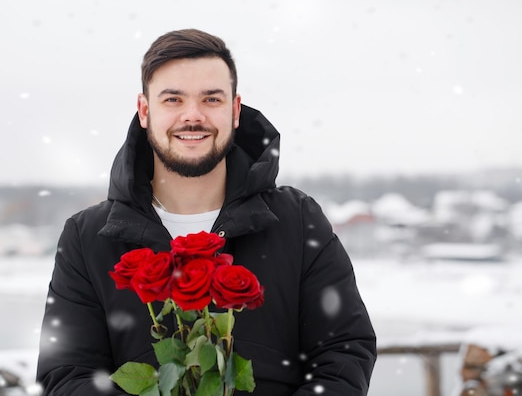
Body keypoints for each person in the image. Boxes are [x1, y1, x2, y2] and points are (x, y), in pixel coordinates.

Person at [36, 29, 376, 395]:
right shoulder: (87, 237)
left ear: (234, 110)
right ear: (145, 110)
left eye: (211, 99)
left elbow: (344, 353)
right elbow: (66, 376)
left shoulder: (297, 220)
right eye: (173, 100)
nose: (193, 116)